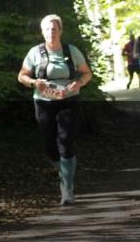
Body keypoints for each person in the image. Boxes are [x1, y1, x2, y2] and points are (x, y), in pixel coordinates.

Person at [17, 15, 93, 205]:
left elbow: (86, 73)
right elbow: (22, 76)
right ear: (42, 32)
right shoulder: (35, 52)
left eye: (55, 29)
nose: (51, 32)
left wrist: (79, 83)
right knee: (50, 146)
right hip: (43, 102)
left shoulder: (71, 51)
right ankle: (63, 173)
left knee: (65, 141)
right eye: (48, 29)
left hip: (68, 101)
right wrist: (35, 82)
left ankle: (67, 188)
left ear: (60, 31)